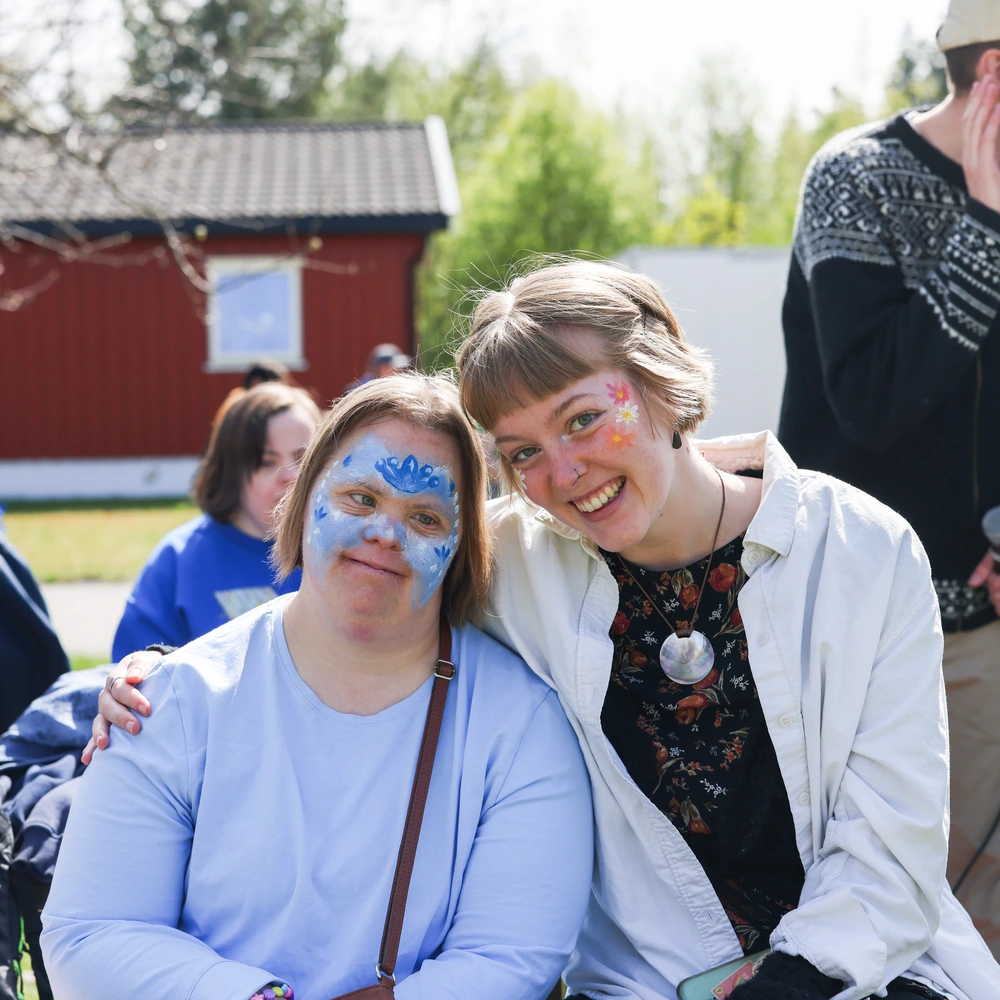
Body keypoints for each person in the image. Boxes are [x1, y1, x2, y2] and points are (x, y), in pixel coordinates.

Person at [93, 260, 1000, 999]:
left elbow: (893, 842)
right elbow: (355, 611)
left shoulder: (862, 550)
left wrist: (789, 986)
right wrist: (161, 681)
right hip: (648, 987)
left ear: (658, 380)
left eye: (582, 419)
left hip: (875, 972)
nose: (563, 473)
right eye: (522, 452)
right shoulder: (514, 567)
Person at [41, 374, 594, 1000]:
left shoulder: (520, 726)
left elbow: (510, 957)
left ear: (462, 545)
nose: (386, 533)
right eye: (360, 497)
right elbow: (90, 934)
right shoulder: (169, 701)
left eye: (425, 516)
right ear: (304, 500)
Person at [777, 0, 1000, 954]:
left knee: (979, 908)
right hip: (852, 629)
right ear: (993, 76)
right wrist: (986, 221)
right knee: (864, 904)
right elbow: (873, 400)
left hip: (982, 625)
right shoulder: (855, 175)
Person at [111, 383, 321, 662]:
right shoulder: (180, 559)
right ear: (231, 470)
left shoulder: (343, 551)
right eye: (266, 462)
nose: (290, 475)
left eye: (302, 458)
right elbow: (137, 678)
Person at [343, 343, 413, 394]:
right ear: (381, 368)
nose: (399, 371)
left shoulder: (399, 388)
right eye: (394, 368)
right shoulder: (356, 392)